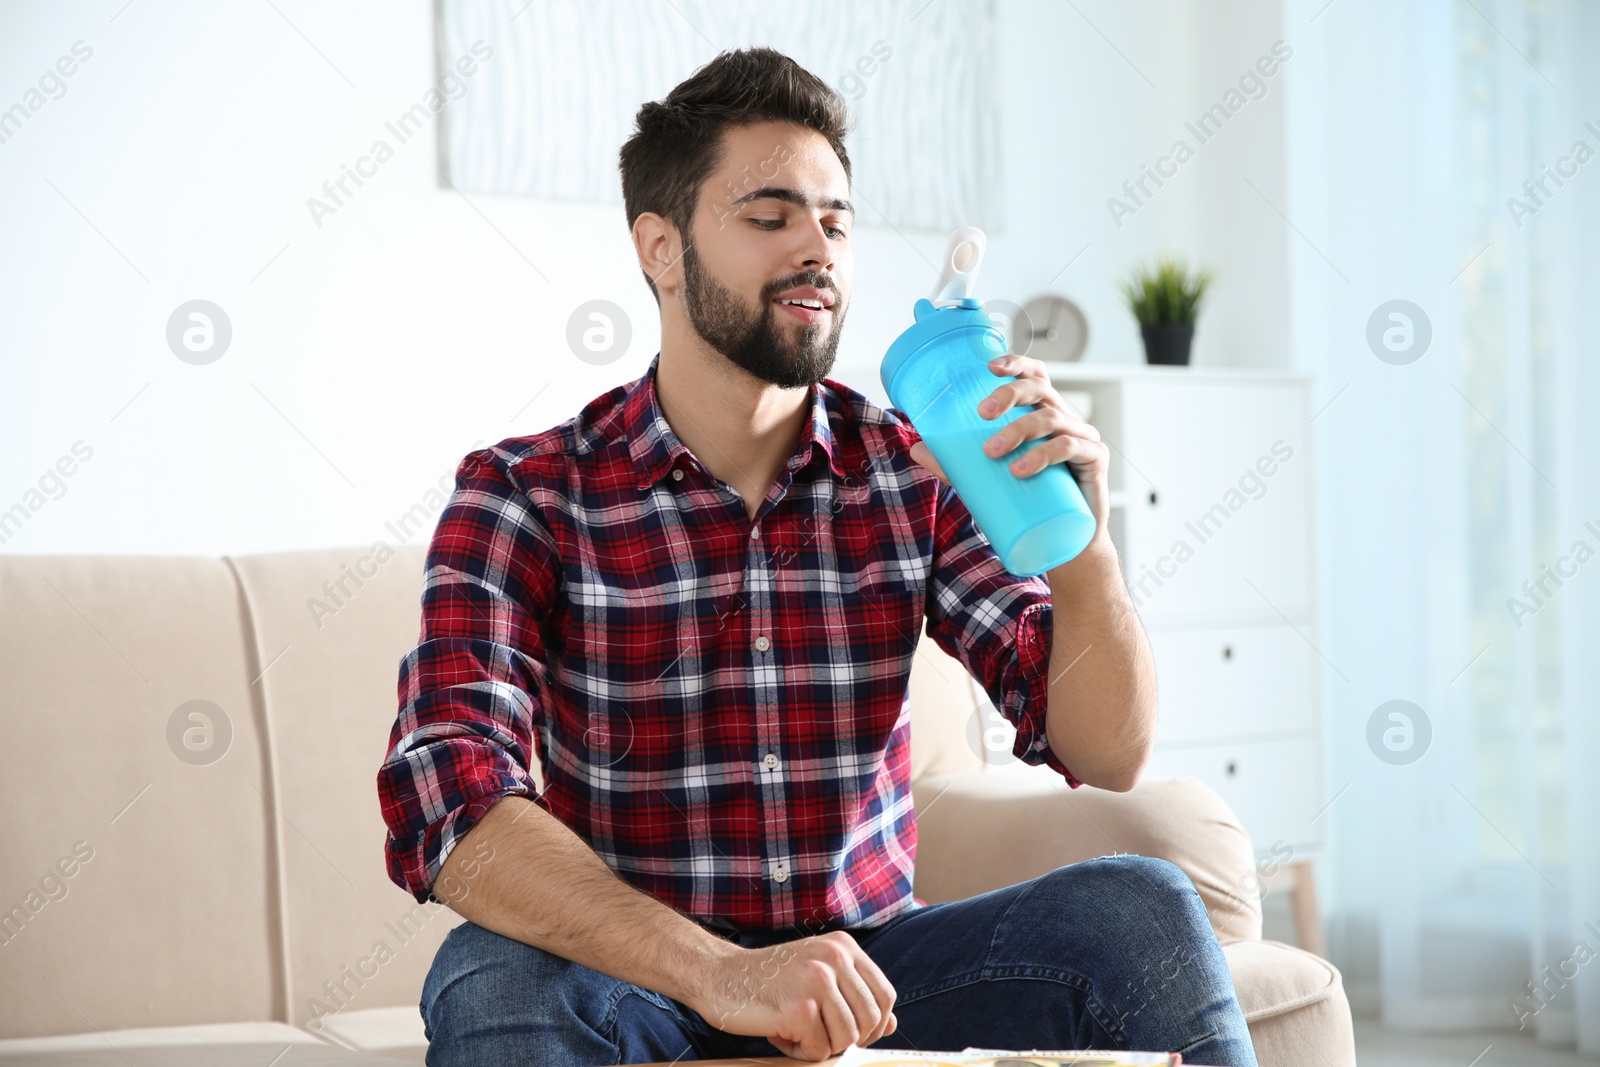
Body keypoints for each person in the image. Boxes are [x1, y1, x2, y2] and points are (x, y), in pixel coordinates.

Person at [377, 45, 1258, 1067]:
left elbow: (1108, 751)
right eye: (770, 216)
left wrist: (1084, 551)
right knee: (491, 975)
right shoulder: (526, 493)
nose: (819, 249)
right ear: (659, 248)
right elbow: (453, 795)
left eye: (836, 221)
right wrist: (722, 971)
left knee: (1138, 907)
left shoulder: (910, 469)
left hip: (873, 973)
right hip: (640, 975)